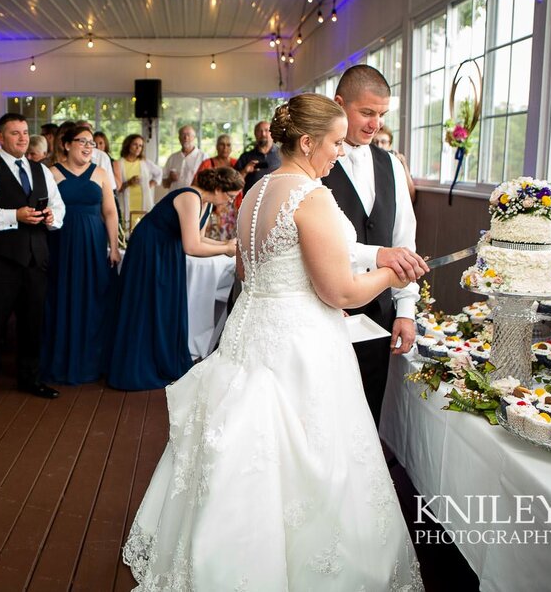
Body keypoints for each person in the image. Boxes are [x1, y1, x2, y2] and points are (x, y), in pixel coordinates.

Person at [122, 94, 423, 590]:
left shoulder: (255, 193)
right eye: (335, 143)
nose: (341, 153)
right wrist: (389, 275)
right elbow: (340, 290)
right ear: (307, 141)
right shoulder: (313, 195)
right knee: (310, 454)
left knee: (248, 450)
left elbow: (247, 268)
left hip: (249, 333)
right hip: (300, 345)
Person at [321, 65, 428, 425]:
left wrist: (406, 312)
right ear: (339, 105)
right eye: (366, 112)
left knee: (366, 417)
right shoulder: (314, 164)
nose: (375, 124)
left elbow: (404, 242)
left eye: (382, 115)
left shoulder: (391, 166)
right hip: (327, 312)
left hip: (379, 315)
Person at [109, 167, 241, 391]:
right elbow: (191, 246)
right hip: (149, 250)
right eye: (229, 196)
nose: (230, 202)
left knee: (165, 306)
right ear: (218, 189)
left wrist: (228, 246)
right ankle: (138, 365)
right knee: (146, 305)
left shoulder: (207, 204)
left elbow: (200, 238)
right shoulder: (190, 197)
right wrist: (225, 249)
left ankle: (163, 358)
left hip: (168, 251)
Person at [0, 113, 65, 409]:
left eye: (25, 132)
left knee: (33, 322)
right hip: (0, 259)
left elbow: (59, 206)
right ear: (1, 137)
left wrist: (51, 218)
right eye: (15, 133)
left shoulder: (41, 170)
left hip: (36, 258)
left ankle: (29, 378)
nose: (22, 138)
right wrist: (14, 216)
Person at [41, 126, 120, 385]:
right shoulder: (52, 173)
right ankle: (60, 362)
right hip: (61, 241)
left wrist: (114, 246)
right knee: (62, 296)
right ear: (66, 145)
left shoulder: (100, 173)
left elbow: (110, 212)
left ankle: (90, 362)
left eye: (91, 143)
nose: (88, 147)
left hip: (93, 242)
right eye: (82, 141)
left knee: (93, 297)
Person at [195, 134, 239, 240]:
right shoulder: (207, 163)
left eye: (228, 145)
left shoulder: (236, 163)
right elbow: (196, 184)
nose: (225, 148)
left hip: (231, 209)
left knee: (230, 238)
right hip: (211, 206)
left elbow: (240, 184)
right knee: (209, 236)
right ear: (216, 146)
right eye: (222, 145)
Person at [115, 133, 162, 229]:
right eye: (135, 144)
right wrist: (129, 182)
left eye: (140, 145)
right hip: (127, 204)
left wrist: (150, 184)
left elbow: (159, 172)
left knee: (144, 229)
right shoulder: (119, 163)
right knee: (127, 232)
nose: (138, 148)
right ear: (128, 145)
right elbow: (116, 189)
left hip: (143, 203)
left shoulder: (144, 162)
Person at [234, 119, 279, 195]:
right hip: (252, 203)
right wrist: (245, 171)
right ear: (255, 134)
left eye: (266, 130)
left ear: (272, 133)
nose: (263, 134)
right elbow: (233, 182)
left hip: (277, 201)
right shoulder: (245, 157)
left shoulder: (283, 155)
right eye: (259, 131)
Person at [158, 124, 204, 198]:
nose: (186, 138)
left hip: (194, 199)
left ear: (194, 138)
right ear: (179, 138)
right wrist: (170, 179)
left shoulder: (203, 157)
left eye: (188, 135)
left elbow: (208, 183)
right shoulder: (172, 158)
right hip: (174, 199)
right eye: (183, 135)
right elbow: (165, 184)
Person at [374, 126, 416, 202]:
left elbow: (411, 196)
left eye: (383, 142)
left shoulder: (395, 163)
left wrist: (403, 164)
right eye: (376, 142)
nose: (379, 146)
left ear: (390, 145)